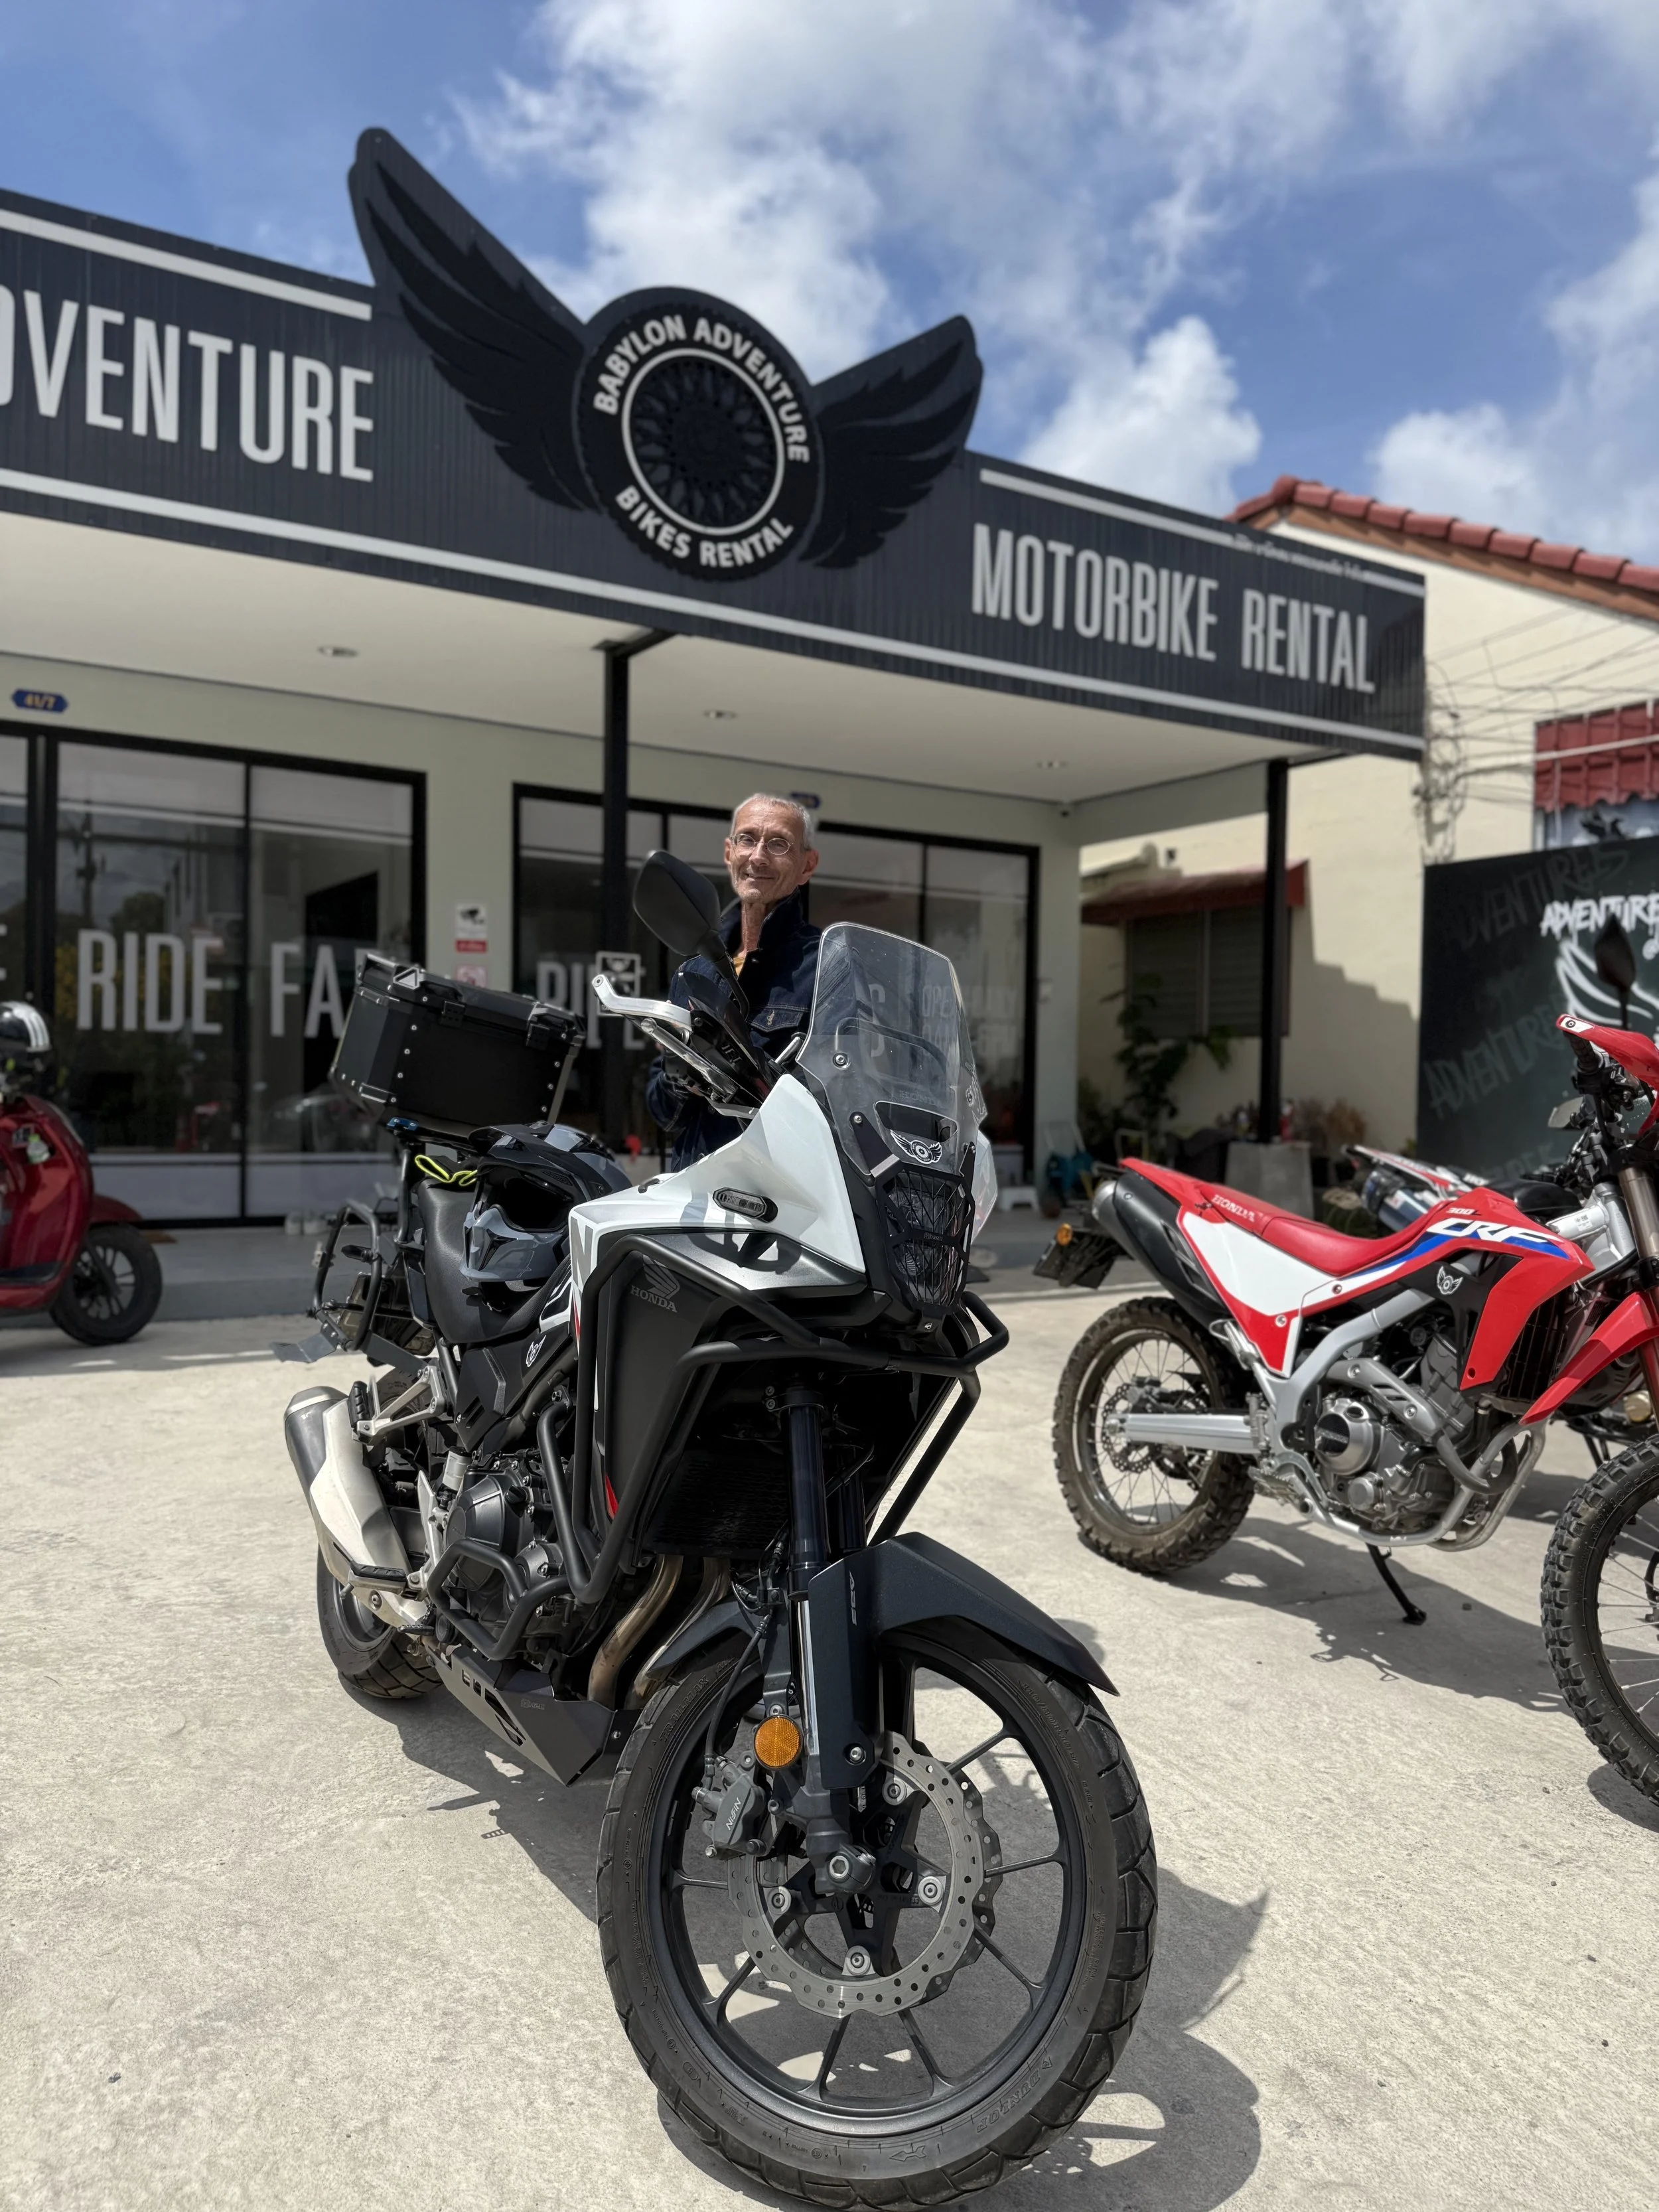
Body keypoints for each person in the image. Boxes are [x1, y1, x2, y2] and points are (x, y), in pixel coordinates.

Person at [645, 793, 822, 1168]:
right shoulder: (693, 972)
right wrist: (680, 1074)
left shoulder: (828, 965)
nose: (758, 856)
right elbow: (662, 1114)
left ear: (807, 866)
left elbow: (842, 1100)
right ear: (729, 853)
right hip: (691, 1188)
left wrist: (746, 1072)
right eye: (747, 839)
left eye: (779, 844)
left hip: (773, 1192)